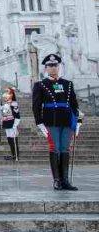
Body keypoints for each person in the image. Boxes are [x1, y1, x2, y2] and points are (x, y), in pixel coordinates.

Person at [32, 54, 80, 191]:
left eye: (55, 65)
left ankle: (65, 180)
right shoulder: (40, 85)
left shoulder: (67, 84)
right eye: (50, 66)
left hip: (66, 120)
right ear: (46, 68)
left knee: (65, 148)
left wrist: (78, 120)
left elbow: (74, 104)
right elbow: (36, 105)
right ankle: (57, 180)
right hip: (50, 120)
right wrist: (39, 122)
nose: (53, 68)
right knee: (55, 148)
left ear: (59, 67)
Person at [1, 87, 21, 161]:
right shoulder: (5, 104)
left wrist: (15, 125)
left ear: (12, 95)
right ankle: (13, 154)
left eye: (8, 93)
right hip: (6, 123)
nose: (6, 94)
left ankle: (16, 155)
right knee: (9, 140)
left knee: (14, 140)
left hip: (12, 123)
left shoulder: (14, 104)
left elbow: (17, 116)